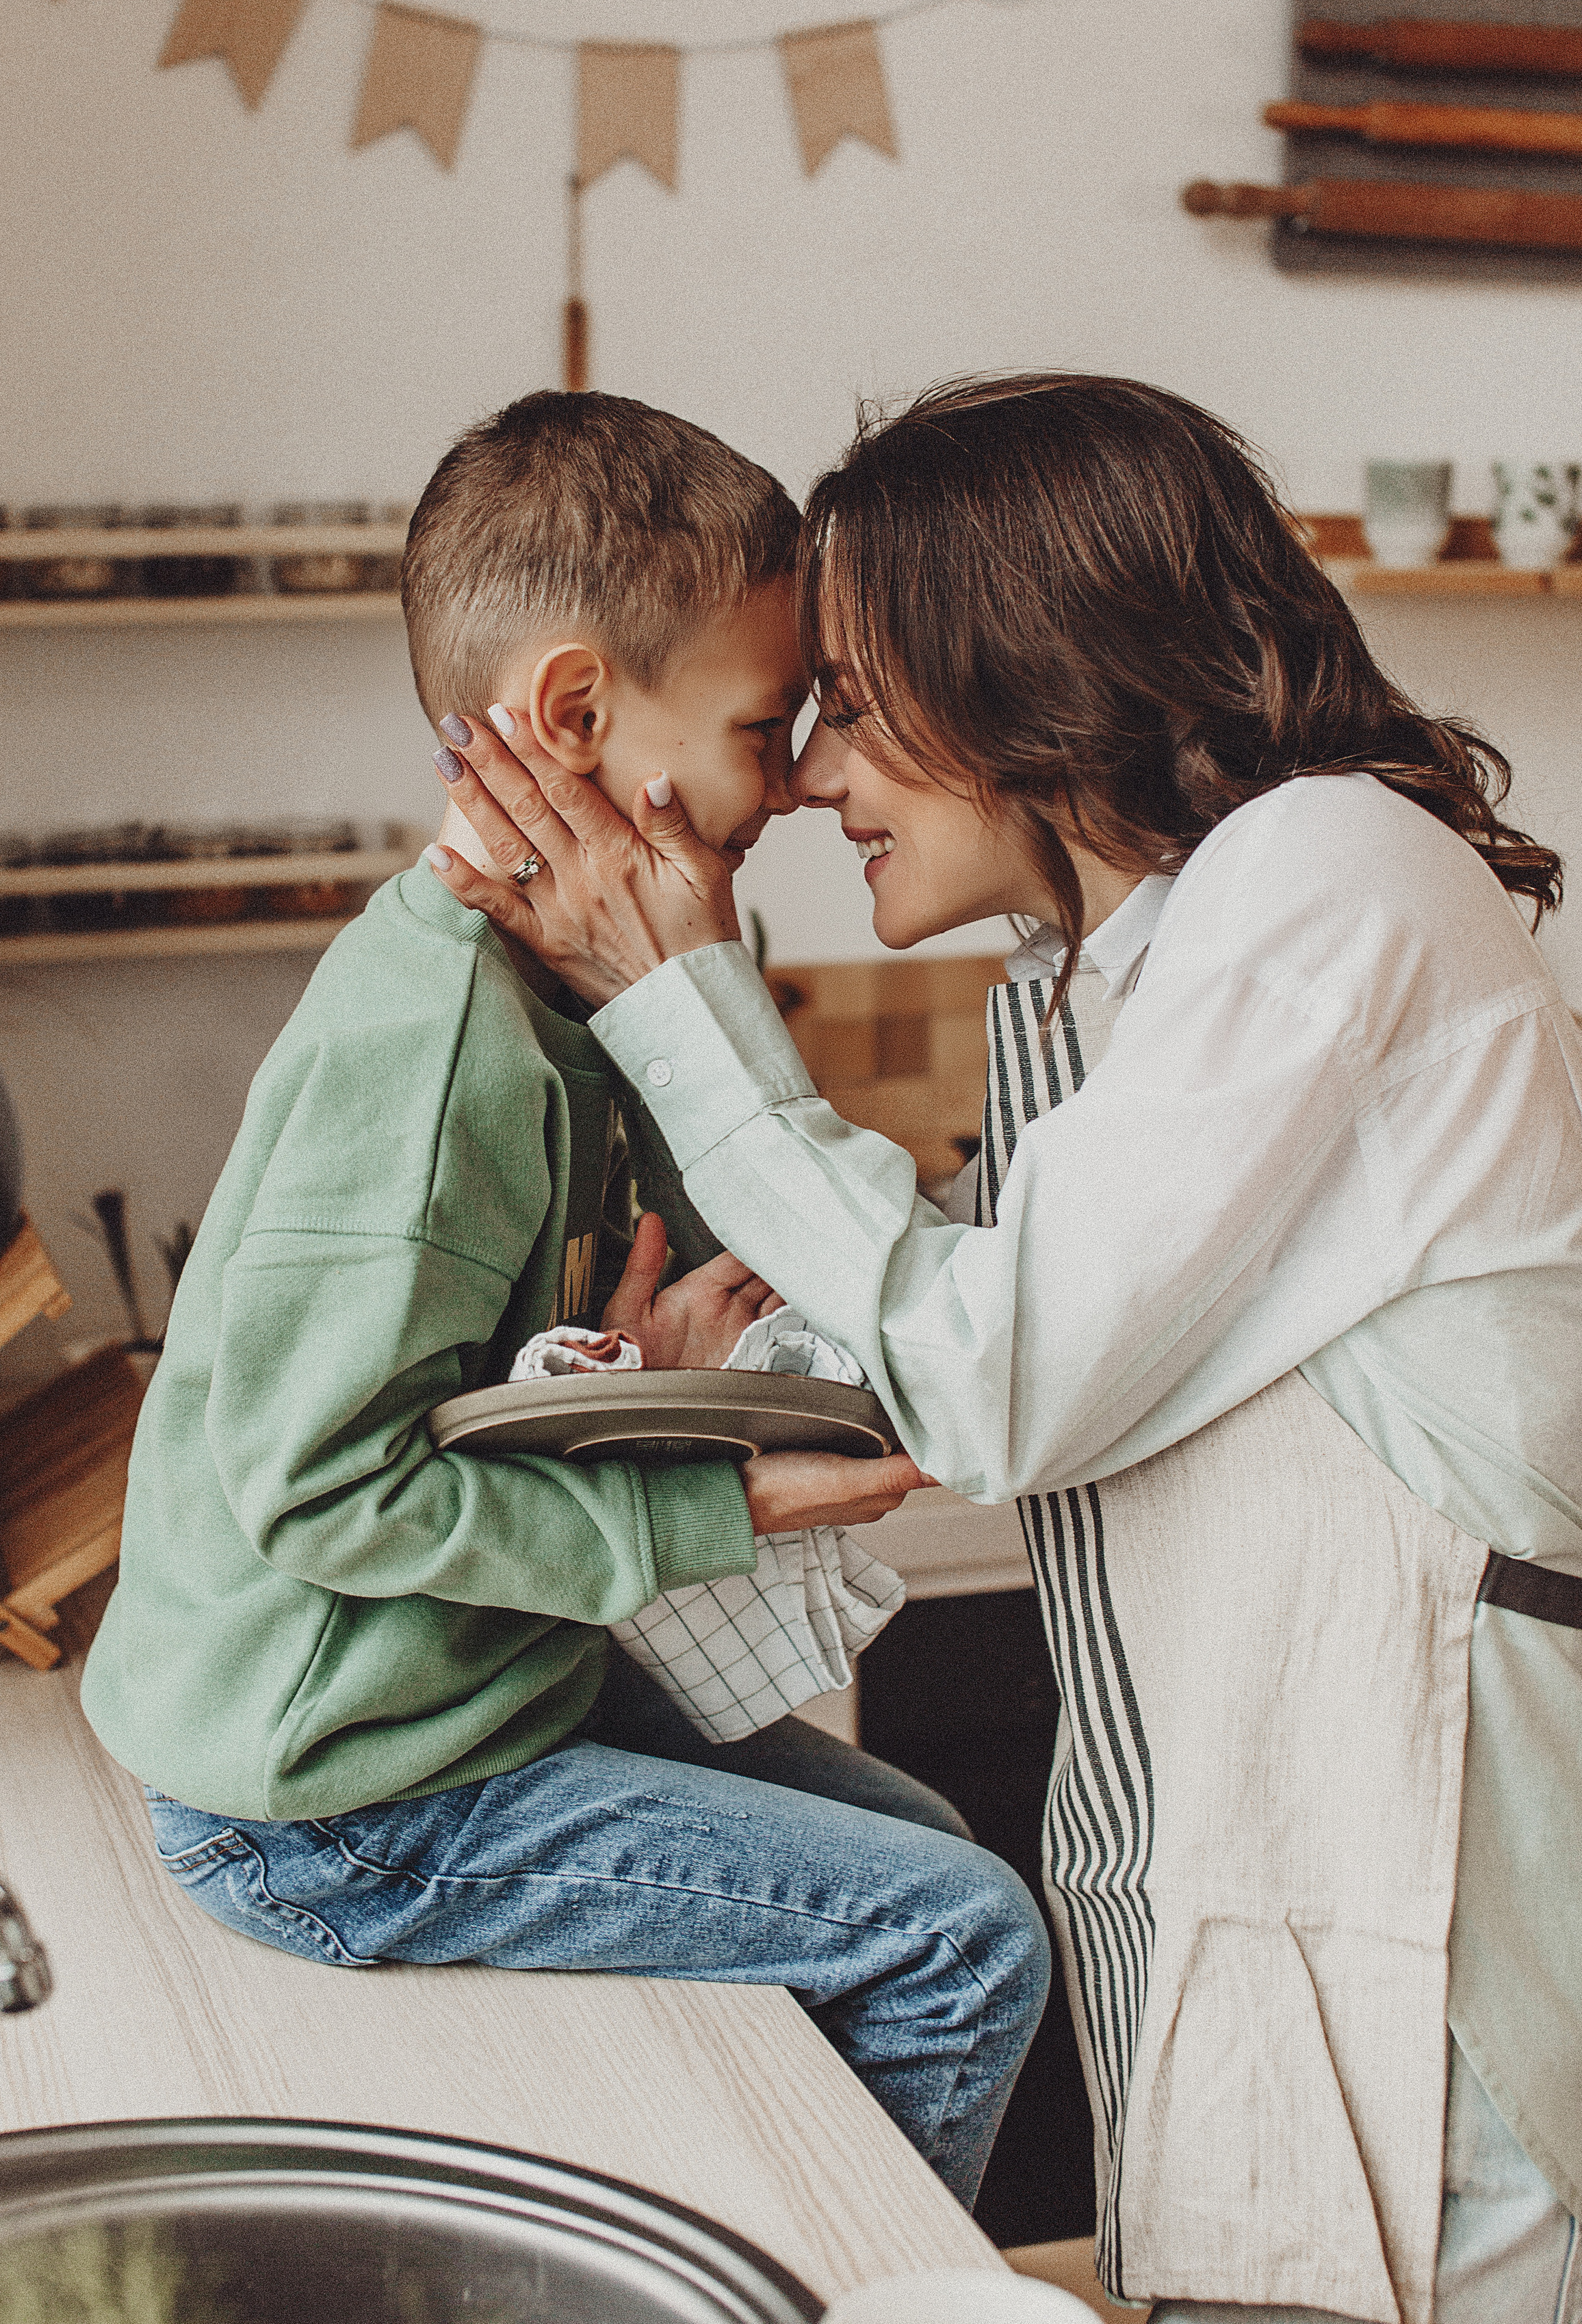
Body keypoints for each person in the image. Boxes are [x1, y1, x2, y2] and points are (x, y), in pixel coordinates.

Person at [424, 374, 1582, 2324]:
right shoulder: (1106, 977)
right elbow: (963, 1334)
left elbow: (1001, 1375)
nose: (805, 777)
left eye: (856, 704)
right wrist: (669, 1376)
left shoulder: (1325, 884)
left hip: (1434, 1899)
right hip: (1268, 1869)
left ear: (1023, 675)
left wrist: (685, 1003)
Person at [81, 389, 1051, 2212]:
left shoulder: (583, 990)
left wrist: (658, 1362)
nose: (799, 783)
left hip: (461, 1705)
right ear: (580, 716)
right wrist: (712, 1494)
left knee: (928, 1846)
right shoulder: (440, 1042)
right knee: (961, 1939)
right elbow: (319, 1484)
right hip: (338, 1798)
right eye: (770, 727)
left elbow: (753, 1241)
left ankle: (747, 2223)